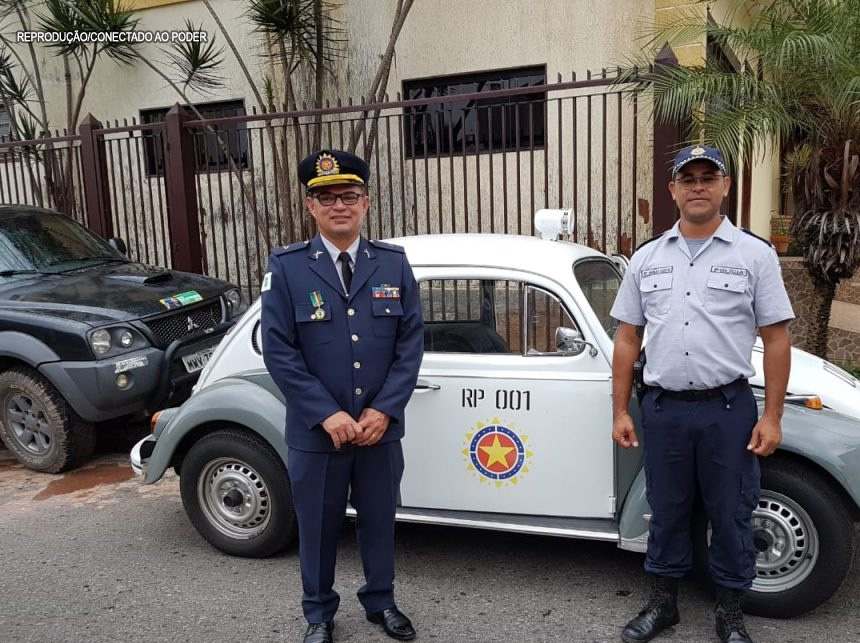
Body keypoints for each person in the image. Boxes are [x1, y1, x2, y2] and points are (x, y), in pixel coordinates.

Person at [609, 145, 794, 643]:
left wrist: (772, 417)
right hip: (664, 410)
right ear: (672, 189)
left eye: (707, 177)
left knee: (731, 512)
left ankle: (730, 615)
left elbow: (776, 339)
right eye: (686, 178)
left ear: (725, 186)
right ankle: (663, 605)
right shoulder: (647, 259)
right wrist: (620, 411)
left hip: (727, 410)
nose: (697, 185)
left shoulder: (755, 255)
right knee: (666, 510)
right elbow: (628, 338)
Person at [261, 149, 424, 643]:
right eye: (325, 197)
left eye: (348, 196)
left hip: (379, 429)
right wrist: (326, 413)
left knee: (379, 521)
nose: (339, 206)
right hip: (318, 434)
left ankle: (381, 602)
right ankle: (318, 614)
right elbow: (279, 350)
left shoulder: (393, 264)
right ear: (310, 206)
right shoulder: (288, 268)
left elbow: (410, 343)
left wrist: (385, 409)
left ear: (366, 203)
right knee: (317, 528)